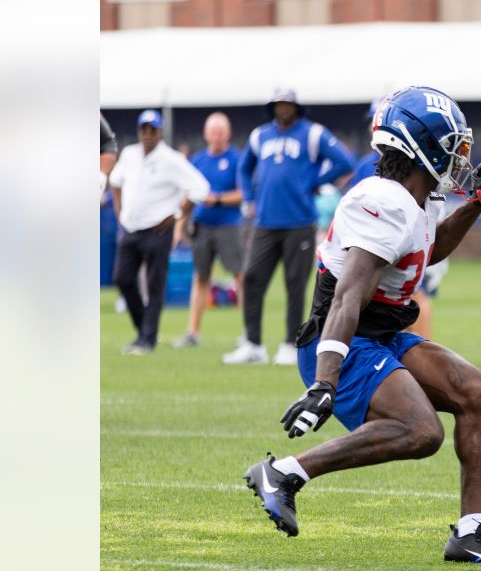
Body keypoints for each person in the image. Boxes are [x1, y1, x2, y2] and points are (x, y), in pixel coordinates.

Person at [242, 86, 481, 566]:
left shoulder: (418, 197)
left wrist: (475, 202)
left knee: (479, 391)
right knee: (420, 431)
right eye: (452, 145)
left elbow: (429, 252)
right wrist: (324, 382)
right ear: (421, 146)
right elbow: (349, 294)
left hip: (380, 335)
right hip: (342, 341)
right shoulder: (382, 201)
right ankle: (285, 473)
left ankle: (470, 534)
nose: (460, 157)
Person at [224, 88, 354, 366]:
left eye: (288, 104)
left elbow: (344, 161)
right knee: (252, 279)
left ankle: (289, 343)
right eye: (279, 104)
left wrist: (316, 181)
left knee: (295, 284)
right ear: (272, 107)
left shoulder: (313, 133)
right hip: (265, 222)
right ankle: (252, 342)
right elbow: (244, 168)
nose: (283, 109)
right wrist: (248, 197)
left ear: (296, 107)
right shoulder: (260, 135)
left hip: (299, 222)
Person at [108, 110, 211, 354]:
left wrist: (177, 215)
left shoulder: (171, 159)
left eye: (152, 130)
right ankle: (143, 329)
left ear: (160, 132)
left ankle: (147, 339)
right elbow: (115, 182)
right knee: (122, 279)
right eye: (144, 129)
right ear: (139, 131)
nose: (147, 134)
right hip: (131, 228)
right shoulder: (130, 154)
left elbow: (200, 188)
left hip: (157, 229)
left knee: (154, 285)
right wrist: (120, 212)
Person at [172, 112, 245, 348]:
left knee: (239, 276)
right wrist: (180, 224)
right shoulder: (198, 161)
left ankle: (248, 333)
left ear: (228, 133)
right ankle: (193, 333)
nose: (216, 136)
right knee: (201, 278)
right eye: (212, 132)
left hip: (228, 225)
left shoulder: (236, 159)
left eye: (220, 132)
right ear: (205, 134)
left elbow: (243, 194)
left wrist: (218, 199)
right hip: (201, 227)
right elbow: (188, 195)